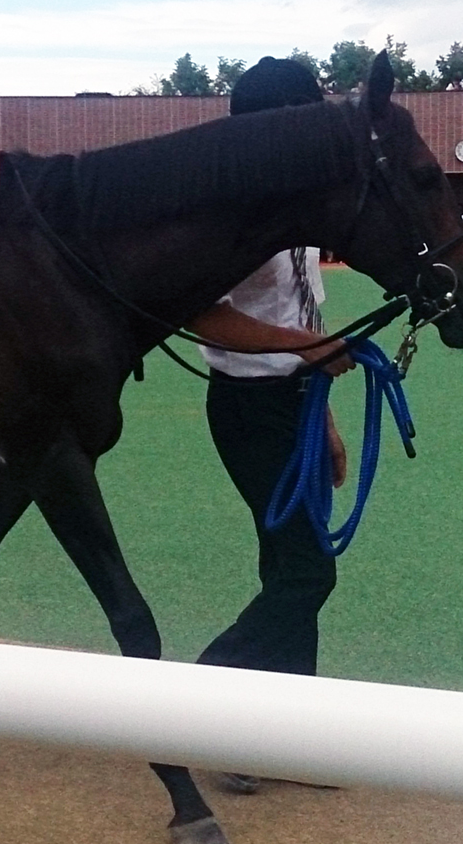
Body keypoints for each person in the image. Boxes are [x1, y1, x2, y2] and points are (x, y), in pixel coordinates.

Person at [183, 56, 356, 795]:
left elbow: (302, 315)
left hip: (297, 405)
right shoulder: (226, 212)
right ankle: (200, 699)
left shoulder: (292, 204)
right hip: (249, 408)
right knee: (307, 571)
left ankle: (283, 738)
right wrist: (300, 351)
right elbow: (199, 311)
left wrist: (328, 418)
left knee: (285, 567)